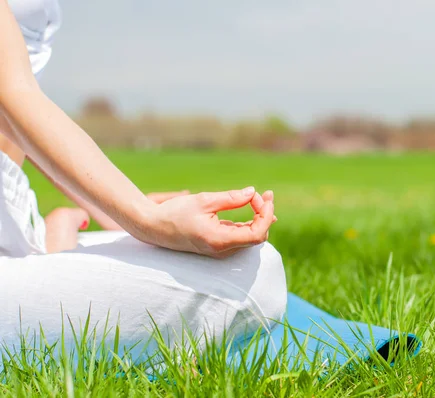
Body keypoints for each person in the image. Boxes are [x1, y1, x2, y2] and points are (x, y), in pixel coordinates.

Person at [0, 0, 287, 357]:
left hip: (12, 218)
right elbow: (11, 95)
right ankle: (51, 248)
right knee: (254, 280)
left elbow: (18, 122)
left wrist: (118, 213)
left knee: (247, 261)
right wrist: (145, 220)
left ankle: (46, 245)